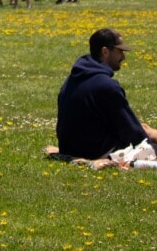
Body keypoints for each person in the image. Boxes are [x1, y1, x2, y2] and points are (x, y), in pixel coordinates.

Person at [49, 29, 149, 161]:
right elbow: (133, 134)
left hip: (69, 149)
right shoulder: (107, 86)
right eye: (119, 51)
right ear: (105, 51)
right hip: (96, 152)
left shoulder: (73, 78)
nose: (123, 57)